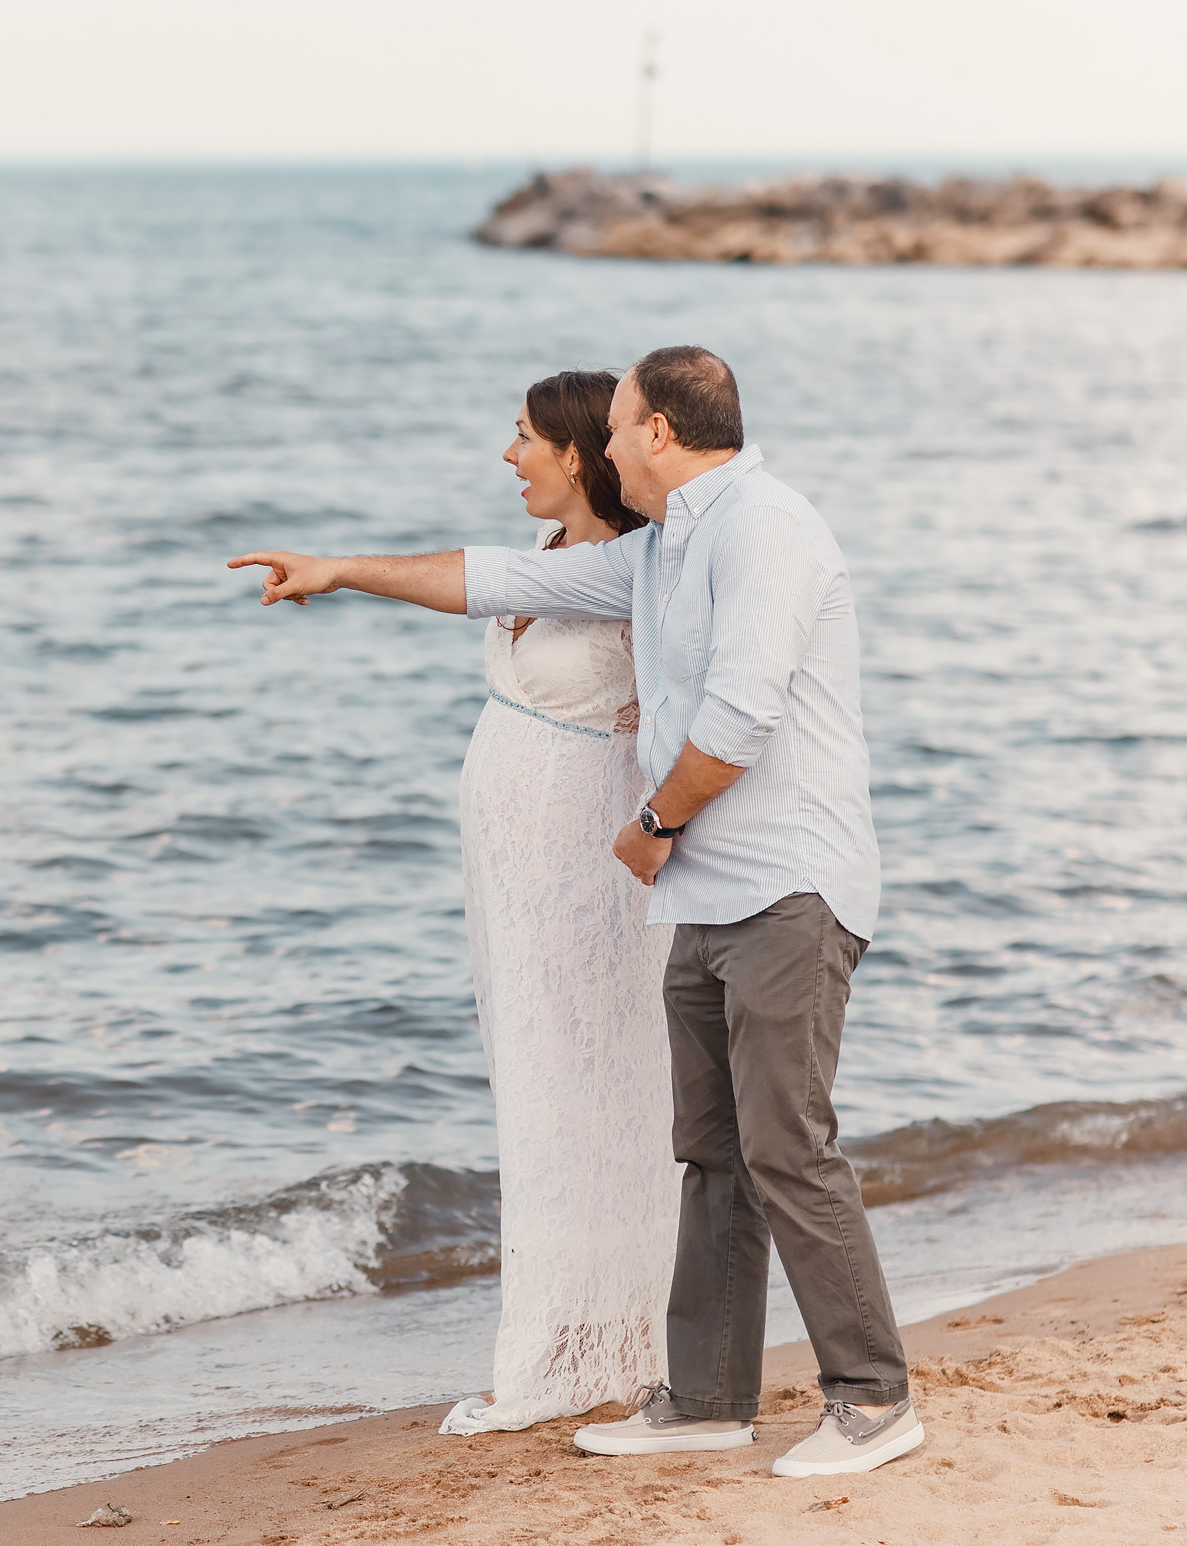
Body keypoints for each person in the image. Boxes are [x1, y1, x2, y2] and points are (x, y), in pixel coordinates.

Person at [228, 346, 921, 1478]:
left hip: (787, 881)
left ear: (659, 433)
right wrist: (340, 568)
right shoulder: (661, 549)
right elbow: (502, 578)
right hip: (709, 892)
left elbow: (743, 716)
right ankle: (706, 1398)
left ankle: (874, 1398)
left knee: (787, 1146)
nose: (603, 445)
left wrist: (649, 824)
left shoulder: (766, 530)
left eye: (616, 426)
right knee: (713, 1153)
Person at [434, 370, 677, 1438]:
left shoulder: (635, 572)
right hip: (515, 876)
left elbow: (681, 709)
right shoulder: (548, 551)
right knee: (537, 1085)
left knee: (586, 1088)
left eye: (524, 436)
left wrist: (660, 827)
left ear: (577, 454)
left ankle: (577, 1351)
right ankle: (587, 1333)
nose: (509, 454)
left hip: (588, 870)